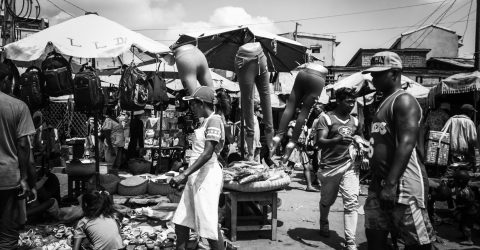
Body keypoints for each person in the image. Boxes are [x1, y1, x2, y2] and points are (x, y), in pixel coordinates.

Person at [363, 51, 434, 250]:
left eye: (378, 74)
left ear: (394, 74)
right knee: (374, 234)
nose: (372, 77)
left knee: (416, 242)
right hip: (380, 183)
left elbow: (406, 143)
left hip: (403, 184)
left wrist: (391, 184)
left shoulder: (403, 101)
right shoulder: (382, 102)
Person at [170, 86, 227, 250]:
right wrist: (187, 174)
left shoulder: (214, 120)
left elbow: (208, 153)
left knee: (208, 225)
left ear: (201, 103)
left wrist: (184, 174)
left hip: (207, 178)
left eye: (193, 104)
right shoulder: (205, 122)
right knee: (181, 221)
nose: (191, 108)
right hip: (196, 176)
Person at [315, 88, 362, 250]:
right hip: (330, 167)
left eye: (353, 102)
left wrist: (359, 142)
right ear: (339, 101)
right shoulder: (326, 118)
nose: (351, 105)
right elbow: (320, 142)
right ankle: (324, 220)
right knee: (327, 200)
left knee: (351, 202)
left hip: (349, 165)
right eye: (348, 101)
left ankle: (350, 241)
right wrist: (338, 139)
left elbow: (360, 136)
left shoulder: (355, 121)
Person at [0, 62, 37, 249]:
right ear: (7, 80)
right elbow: (23, 145)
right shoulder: (18, 106)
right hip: (7, 178)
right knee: (7, 236)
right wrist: (25, 178)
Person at [271, 64, 327, 164]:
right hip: (319, 77)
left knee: (290, 107)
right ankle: (292, 142)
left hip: (303, 73)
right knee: (304, 112)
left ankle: (278, 135)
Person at [235, 42, 274, 162]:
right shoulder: (256, 40)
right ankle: (271, 147)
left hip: (244, 60)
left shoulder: (241, 48)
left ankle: (251, 153)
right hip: (260, 56)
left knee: (248, 102)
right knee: (266, 99)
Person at [442, 104, 478, 170]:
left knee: (452, 172)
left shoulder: (451, 120)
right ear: (468, 112)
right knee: (464, 173)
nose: (472, 114)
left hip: (451, 153)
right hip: (465, 154)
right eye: (472, 112)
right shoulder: (469, 122)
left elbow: (443, 134)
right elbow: (473, 139)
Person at [452, 170, 478, 246]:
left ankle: (469, 240)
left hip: (470, 212)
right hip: (466, 211)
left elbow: (470, 203)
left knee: (467, 227)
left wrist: (459, 207)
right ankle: (464, 237)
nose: (455, 182)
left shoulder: (465, 192)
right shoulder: (464, 189)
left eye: (456, 180)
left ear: (460, 181)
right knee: (462, 225)